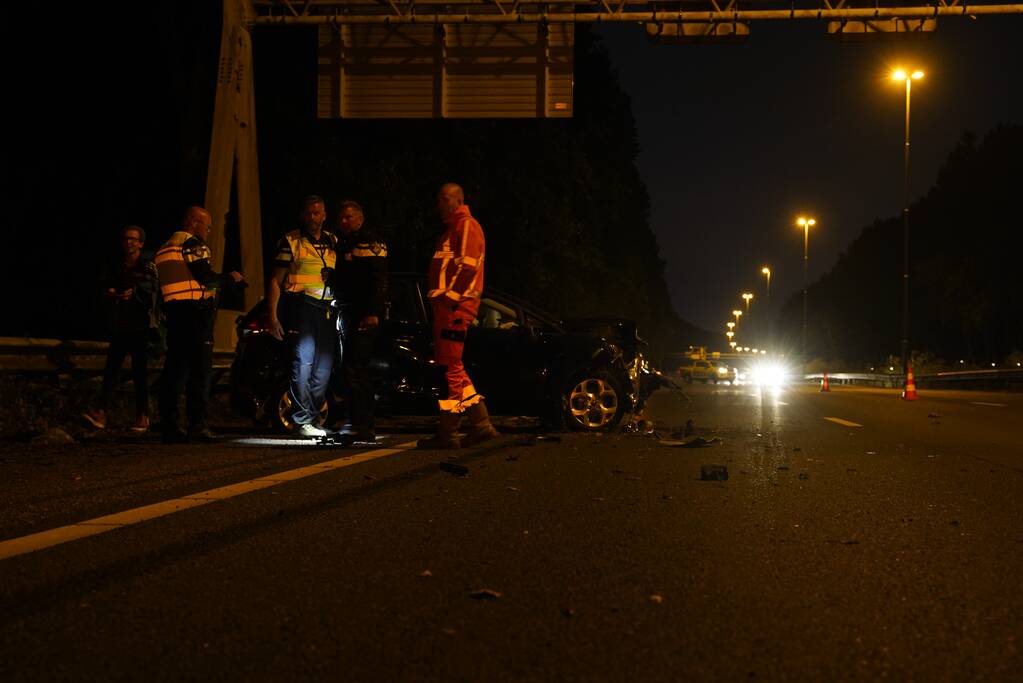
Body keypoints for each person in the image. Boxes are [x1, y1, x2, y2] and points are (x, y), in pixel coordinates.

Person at [418, 183, 500, 449]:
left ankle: (449, 432)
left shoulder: (466, 226)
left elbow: (467, 267)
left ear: (454, 200)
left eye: (442, 200)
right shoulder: (453, 230)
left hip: (453, 308)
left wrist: (449, 299)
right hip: (448, 309)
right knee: (453, 369)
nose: (439, 206)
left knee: (451, 370)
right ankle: (481, 425)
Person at [155, 206, 244, 442]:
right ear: (194, 223)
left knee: (174, 372)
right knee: (200, 374)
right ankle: (198, 426)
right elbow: (206, 278)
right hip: (195, 316)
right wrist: (230, 279)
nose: (209, 230)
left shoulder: (164, 249)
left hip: (174, 315)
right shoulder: (193, 244)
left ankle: (169, 425)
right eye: (207, 225)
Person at [267, 195, 339, 438]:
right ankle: (301, 420)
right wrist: (273, 316)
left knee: (324, 369)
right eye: (309, 213)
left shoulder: (333, 241)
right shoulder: (290, 241)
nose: (313, 218)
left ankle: (312, 416)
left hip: (327, 310)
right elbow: (275, 281)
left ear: (324, 215)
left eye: (317, 213)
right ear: (303, 215)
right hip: (301, 307)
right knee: (303, 365)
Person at [82, 225, 160, 432]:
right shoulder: (115, 264)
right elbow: (103, 285)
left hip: (141, 326)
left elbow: (152, 287)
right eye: (126, 239)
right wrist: (110, 293)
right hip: (120, 325)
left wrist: (134, 293)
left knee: (139, 373)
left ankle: (143, 415)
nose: (129, 242)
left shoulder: (148, 263)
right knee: (111, 371)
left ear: (141, 243)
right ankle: (101, 412)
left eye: (134, 239)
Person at [330, 200, 387, 444]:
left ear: (360, 218)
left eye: (349, 217)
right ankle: (356, 422)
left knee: (357, 368)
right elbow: (348, 279)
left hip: (363, 314)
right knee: (351, 369)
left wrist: (373, 312)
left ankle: (363, 425)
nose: (344, 221)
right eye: (341, 217)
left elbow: (378, 279)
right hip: (349, 313)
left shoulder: (370, 242)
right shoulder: (346, 243)